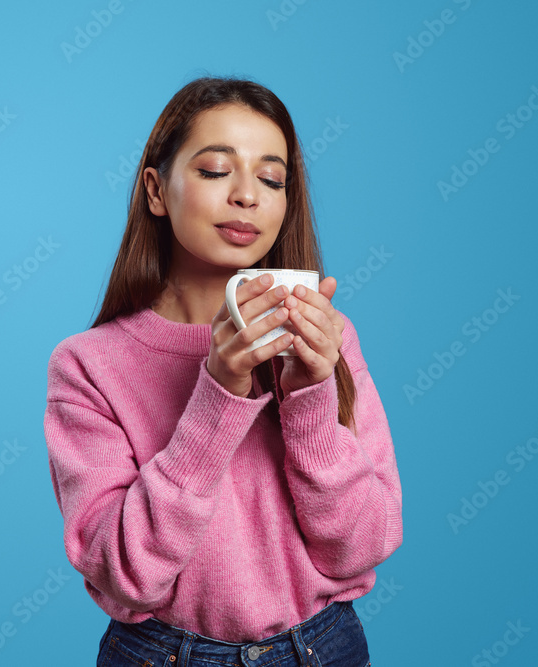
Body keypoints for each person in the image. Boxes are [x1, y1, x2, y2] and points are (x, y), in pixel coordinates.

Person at [44, 75, 402, 667]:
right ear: (156, 191)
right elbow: (126, 575)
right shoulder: (87, 365)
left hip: (321, 647)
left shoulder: (330, 340)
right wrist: (218, 395)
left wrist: (310, 396)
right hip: (164, 654)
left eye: (272, 179)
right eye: (215, 170)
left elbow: (360, 549)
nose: (247, 196)